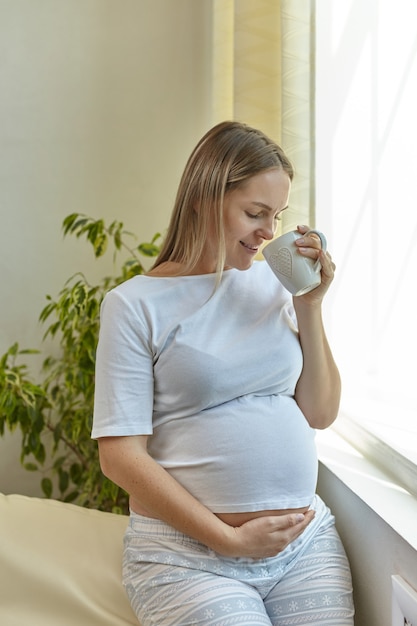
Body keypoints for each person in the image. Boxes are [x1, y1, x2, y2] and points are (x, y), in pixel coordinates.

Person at [92, 121, 354, 625]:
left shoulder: (275, 284)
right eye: (255, 213)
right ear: (204, 197)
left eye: (276, 216)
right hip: (186, 556)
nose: (268, 232)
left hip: (302, 544)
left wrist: (310, 305)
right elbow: (119, 456)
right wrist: (229, 539)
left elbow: (320, 413)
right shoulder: (133, 305)